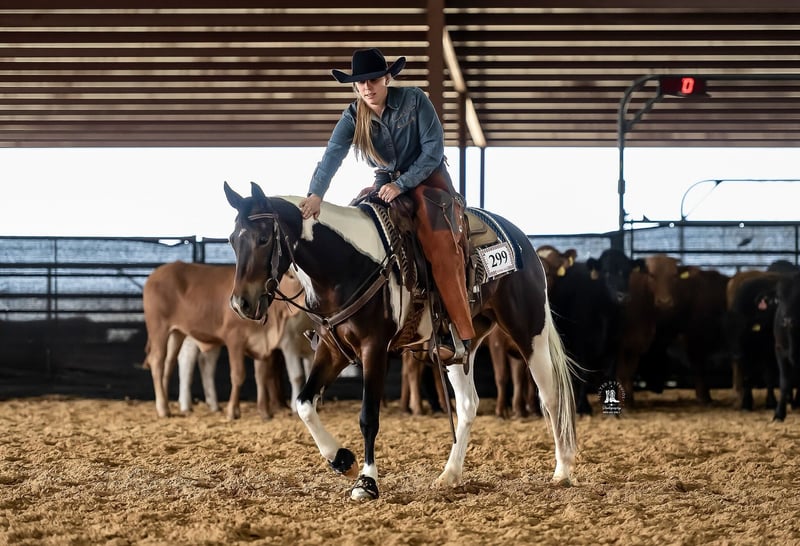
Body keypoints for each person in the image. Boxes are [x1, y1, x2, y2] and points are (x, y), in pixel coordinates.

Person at [298, 47, 475, 362]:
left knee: (440, 243)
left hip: (429, 178)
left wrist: (402, 184)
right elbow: (332, 156)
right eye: (361, 82)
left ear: (387, 79)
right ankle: (334, 323)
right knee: (352, 229)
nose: (367, 87)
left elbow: (433, 150)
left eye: (374, 80)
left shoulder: (415, 100)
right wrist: (315, 195)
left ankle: (459, 335)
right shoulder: (353, 116)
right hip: (386, 182)